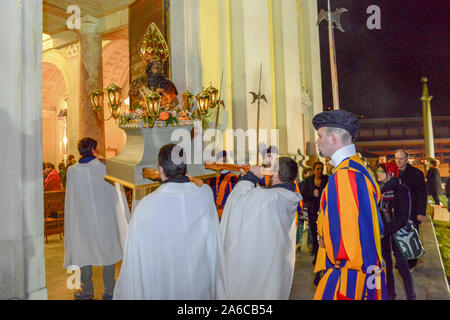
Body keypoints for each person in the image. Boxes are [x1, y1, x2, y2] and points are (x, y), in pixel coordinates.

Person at [113, 144, 220, 299]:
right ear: (185, 167)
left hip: (164, 285)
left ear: (160, 170)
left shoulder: (147, 205)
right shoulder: (205, 195)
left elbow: (135, 259)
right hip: (199, 284)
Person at [312, 110, 386, 300]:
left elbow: (346, 246)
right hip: (366, 272)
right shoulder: (358, 168)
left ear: (334, 138)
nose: (317, 141)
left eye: (320, 136)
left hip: (348, 279)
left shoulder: (345, 175)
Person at [217, 157, 302, 299]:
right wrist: (247, 176)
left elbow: (235, 203)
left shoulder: (266, 198)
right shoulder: (286, 196)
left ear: (275, 175)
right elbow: (255, 199)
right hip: (274, 265)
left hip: (257, 268)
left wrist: (250, 177)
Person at [64, 137, 130, 300]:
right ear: (94, 149)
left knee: (83, 253)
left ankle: (86, 291)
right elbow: (116, 191)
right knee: (109, 252)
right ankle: (110, 290)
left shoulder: (72, 171)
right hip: (105, 219)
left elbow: (70, 198)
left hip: (82, 220)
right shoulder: (104, 168)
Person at [376, 162, 416, 300]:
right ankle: (390, 295)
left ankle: (411, 295)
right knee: (386, 266)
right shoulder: (378, 191)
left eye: (381, 171)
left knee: (402, 267)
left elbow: (403, 217)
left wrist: (385, 230)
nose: (377, 173)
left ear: (390, 174)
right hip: (384, 235)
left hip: (398, 233)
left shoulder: (401, 189)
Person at [394, 149, 427, 270]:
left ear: (407, 160)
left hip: (411, 211)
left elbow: (422, 194)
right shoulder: (393, 172)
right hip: (397, 212)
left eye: (401, 158)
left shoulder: (416, 173)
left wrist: (421, 212)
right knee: (398, 237)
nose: (398, 160)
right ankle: (401, 262)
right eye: (396, 158)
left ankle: (411, 263)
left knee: (411, 236)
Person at [301, 162, 328, 260]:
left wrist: (320, 192)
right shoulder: (308, 180)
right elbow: (304, 196)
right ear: (313, 170)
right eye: (318, 169)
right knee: (314, 233)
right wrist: (312, 194)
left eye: (321, 168)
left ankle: (325, 256)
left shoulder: (327, 179)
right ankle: (317, 256)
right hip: (312, 211)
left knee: (324, 234)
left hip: (324, 211)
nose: (320, 171)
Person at [207, 150, 239, 221]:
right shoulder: (212, 176)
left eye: (224, 161)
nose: (222, 163)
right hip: (212, 213)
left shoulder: (233, 177)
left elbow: (235, 198)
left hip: (226, 213)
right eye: (220, 161)